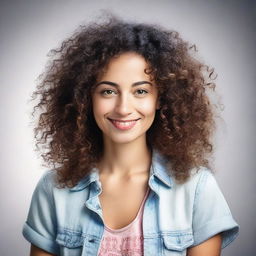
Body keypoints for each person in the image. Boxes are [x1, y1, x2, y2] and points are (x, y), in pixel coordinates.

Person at [22, 15, 239, 256]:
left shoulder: (197, 188)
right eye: (108, 91)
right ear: (85, 99)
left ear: (161, 99)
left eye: (141, 91)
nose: (123, 108)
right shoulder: (53, 188)